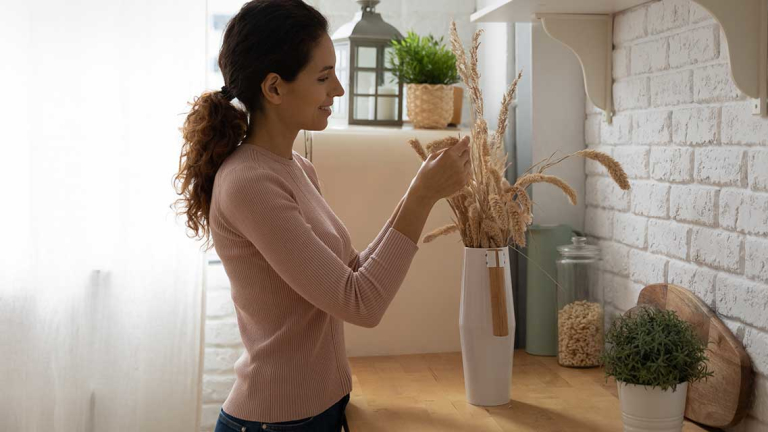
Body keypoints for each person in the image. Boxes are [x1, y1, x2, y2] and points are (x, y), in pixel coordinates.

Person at [172, 1, 471, 430]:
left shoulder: (297, 168)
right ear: (274, 88)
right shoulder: (249, 184)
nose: (339, 91)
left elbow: (351, 276)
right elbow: (361, 304)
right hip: (276, 422)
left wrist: (419, 191)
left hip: (319, 412)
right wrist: (422, 195)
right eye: (324, 76)